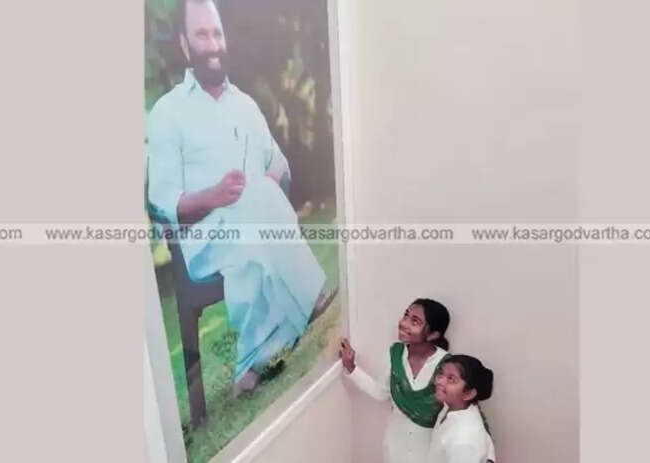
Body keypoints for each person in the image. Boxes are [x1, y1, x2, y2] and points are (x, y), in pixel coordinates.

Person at [147, 0, 335, 395]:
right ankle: (309, 297)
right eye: (202, 35)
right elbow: (160, 202)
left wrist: (264, 186)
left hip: (255, 223)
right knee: (255, 206)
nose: (213, 44)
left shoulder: (245, 104)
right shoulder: (167, 112)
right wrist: (214, 196)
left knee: (258, 200)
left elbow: (279, 165)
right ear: (184, 44)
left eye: (217, 33)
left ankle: (251, 367)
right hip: (202, 241)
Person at [340, 299, 494, 463]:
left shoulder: (446, 366)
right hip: (396, 445)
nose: (403, 323)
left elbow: (462, 409)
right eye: (406, 315)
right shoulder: (394, 354)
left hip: (429, 450)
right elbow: (381, 392)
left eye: (415, 321)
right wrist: (351, 367)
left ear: (433, 334)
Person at [428, 354, 496, 463]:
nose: (438, 381)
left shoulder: (464, 439)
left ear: (468, 394)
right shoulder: (451, 405)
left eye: (451, 379)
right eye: (441, 374)